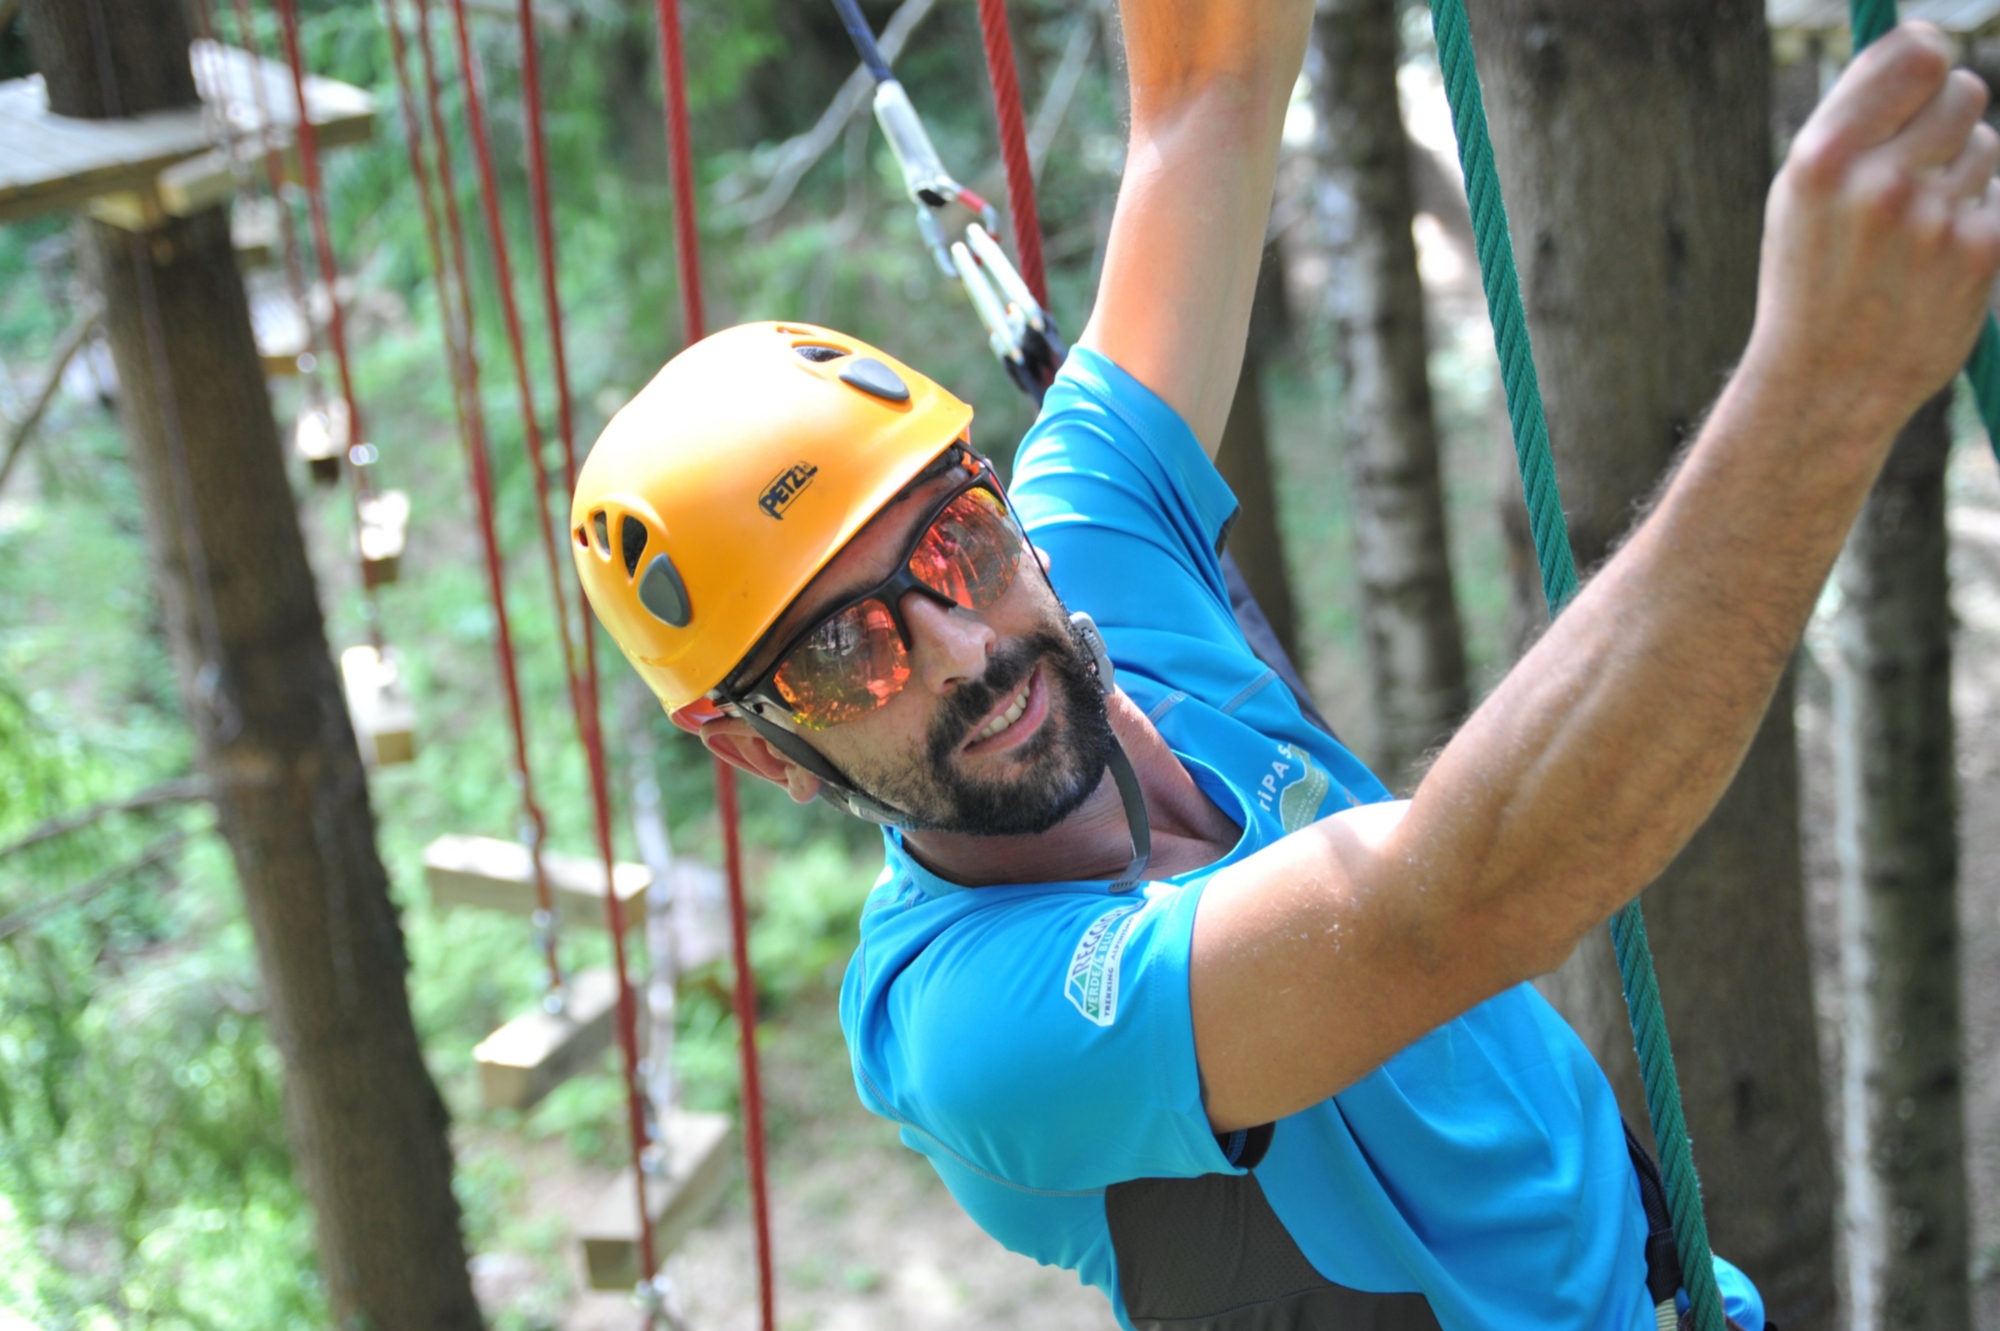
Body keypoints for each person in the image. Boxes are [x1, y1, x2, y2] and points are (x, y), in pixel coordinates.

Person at [570, 3, 2000, 1326]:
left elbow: (1207, 86)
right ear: (759, 748)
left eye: (955, 542)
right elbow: (1435, 912)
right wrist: (1823, 394)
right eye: (845, 653)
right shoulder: (971, 1031)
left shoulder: (1095, 547)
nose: (961, 645)